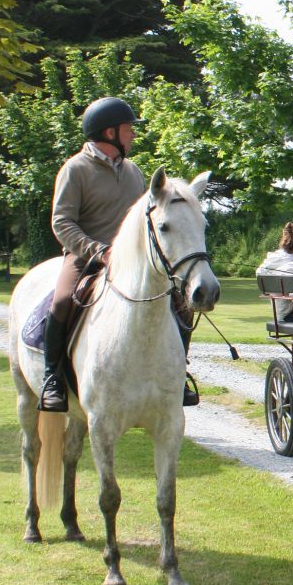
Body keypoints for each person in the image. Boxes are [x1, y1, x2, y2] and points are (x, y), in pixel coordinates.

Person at [39, 96, 198, 411]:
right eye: (128, 129)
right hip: (85, 257)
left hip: (132, 261)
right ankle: (53, 378)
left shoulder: (133, 171)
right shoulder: (75, 169)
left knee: (182, 303)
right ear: (109, 132)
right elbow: (62, 222)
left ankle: (177, 374)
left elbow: (144, 221)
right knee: (62, 301)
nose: (133, 135)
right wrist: (98, 250)